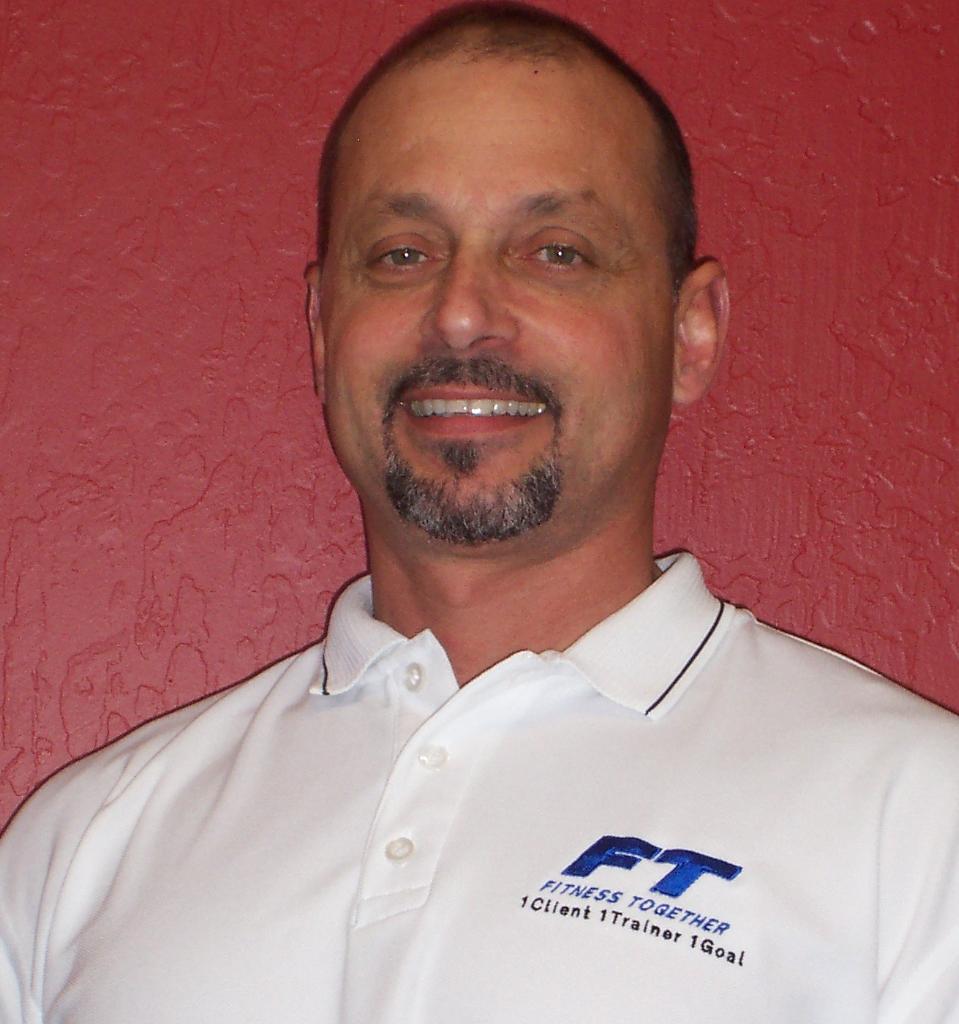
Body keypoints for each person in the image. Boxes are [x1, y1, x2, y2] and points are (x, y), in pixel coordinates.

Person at [1, 5, 957, 1022]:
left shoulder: (914, 823)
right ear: (321, 329)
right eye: (401, 254)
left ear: (689, 333)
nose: (460, 313)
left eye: (555, 252)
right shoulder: (85, 846)